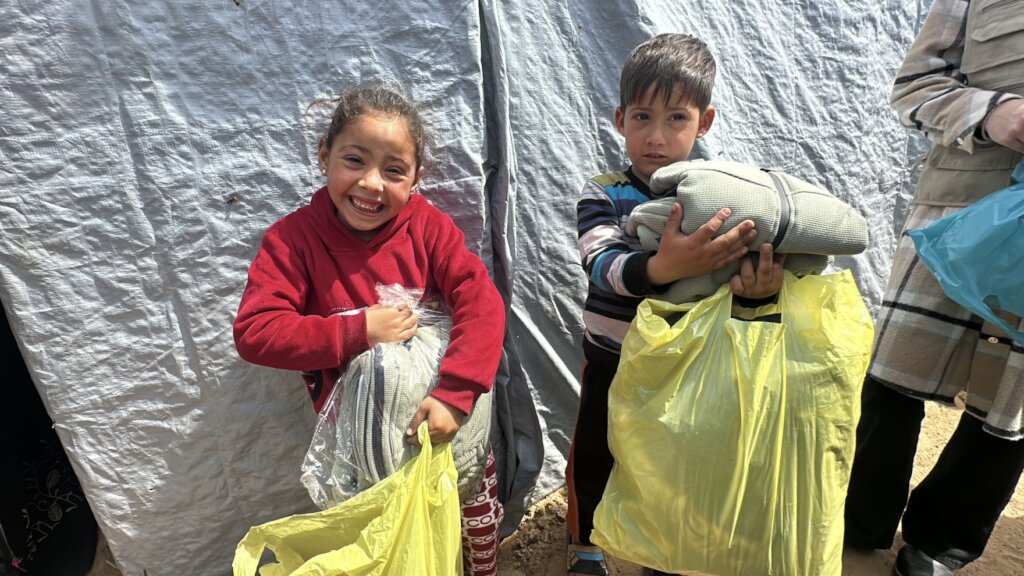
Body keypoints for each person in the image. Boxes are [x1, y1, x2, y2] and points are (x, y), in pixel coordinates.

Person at [233, 86, 506, 576]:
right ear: (324, 156)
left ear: (417, 178)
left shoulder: (427, 227)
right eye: (354, 160)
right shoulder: (294, 241)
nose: (372, 184)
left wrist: (457, 393)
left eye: (394, 170)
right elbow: (256, 331)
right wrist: (357, 330)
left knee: (472, 524)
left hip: (445, 425)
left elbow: (480, 301)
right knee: (380, 546)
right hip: (356, 447)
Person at [566, 33, 786, 576]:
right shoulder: (604, 193)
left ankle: (665, 546)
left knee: (674, 457)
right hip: (613, 356)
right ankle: (587, 546)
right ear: (620, 119)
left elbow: (735, 277)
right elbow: (600, 264)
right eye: (642, 117)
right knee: (599, 449)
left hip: (688, 365)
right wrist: (664, 269)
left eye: (677, 119)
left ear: (705, 122)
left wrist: (761, 291)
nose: (656, 137)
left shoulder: (720, 196)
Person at [844, 1, 1024, 575]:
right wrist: (992, 112)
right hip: (951, 210)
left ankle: (942, 541)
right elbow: (912, 86)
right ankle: (857, 515)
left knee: (1014, 398)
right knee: (895, 370)